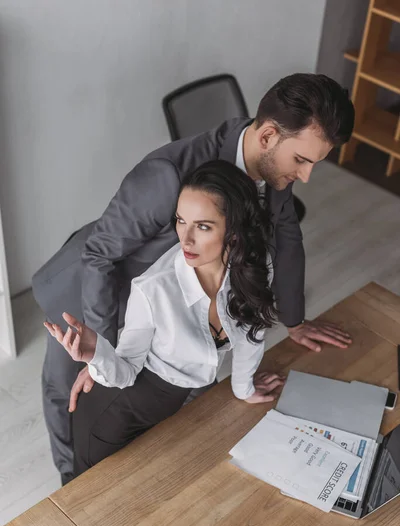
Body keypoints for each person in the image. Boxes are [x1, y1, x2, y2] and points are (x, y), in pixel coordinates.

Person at [33, 73, 355, 485]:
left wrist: (294, 320)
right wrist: (103, 352)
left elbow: (287, 234)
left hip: (172, 308)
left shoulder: (272, 168)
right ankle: (68, 487)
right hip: (88, 293)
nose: (306, 176)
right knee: (71, 398)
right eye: (302, 161)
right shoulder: (166, 174)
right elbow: (100, 255)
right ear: (269, 135)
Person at [45, 161, 287, 476]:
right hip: (116, 413)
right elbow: (127, 373)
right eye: (180, 220)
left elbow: (250, 332)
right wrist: (96, 353)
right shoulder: (154, 290)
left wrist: (244, 388)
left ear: (235, 228)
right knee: (86, 501)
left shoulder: (255, 265)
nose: (184, 240)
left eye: (202, 226)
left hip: (173, 408)